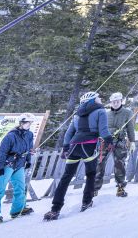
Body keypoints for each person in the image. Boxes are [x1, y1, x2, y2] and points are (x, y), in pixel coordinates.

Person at [43, 92, 113, 221]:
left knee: (66, 177)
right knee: (91, 174)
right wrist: (109, 141)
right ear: (93, 100)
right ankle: (86, 202)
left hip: (74, 146)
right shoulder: (100, 111)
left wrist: (65, 147)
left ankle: (55, 209)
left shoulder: (77, 114)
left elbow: (69, 132)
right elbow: (103, 130)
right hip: (89, 146)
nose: (100, 99)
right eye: (98, 97)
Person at [0, 113, 35, 223]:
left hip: (20, 165)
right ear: (21, 123)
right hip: (8, 164)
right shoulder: (10, 136)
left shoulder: (29, 134)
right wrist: (0, 167)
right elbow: (2, 152)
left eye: (30, 122)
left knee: (20, 189)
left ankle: (17, 210)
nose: (29, 124)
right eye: (27, 122)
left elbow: (30, 149)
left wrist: (28, 161)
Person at [93, 91, 135, 198]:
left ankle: (120, 187)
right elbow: (100, 128)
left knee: (119, 164)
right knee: (100, 163)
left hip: (120, 142)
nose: (115, 103)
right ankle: (94, 188)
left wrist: (132, 141)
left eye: (117, 101)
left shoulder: (127, 112)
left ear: (121, 101)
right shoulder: (106, 114)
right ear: (110, 102)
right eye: (113, 102)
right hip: (105, 142)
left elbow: (130, 128)